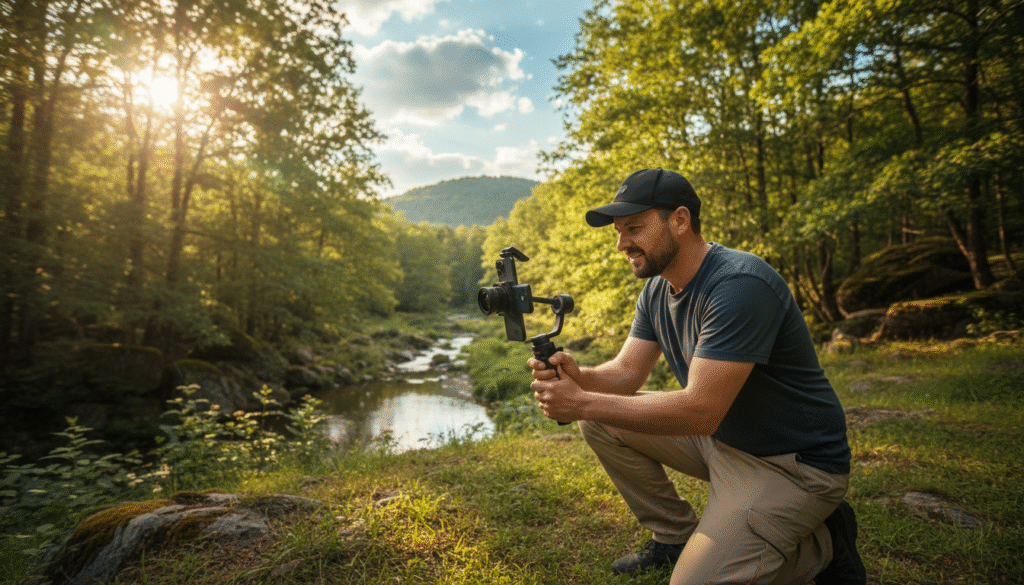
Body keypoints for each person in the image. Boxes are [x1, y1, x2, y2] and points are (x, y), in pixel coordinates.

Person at [528, 168, 866, 584]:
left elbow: (701, 412)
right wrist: (579, 376)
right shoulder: (656, 289)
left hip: (790, 464)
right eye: (618, 231)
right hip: (724, 440)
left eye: (634, 228)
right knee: (600, 419)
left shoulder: (738, 284)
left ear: (681, 221)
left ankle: (824, 547)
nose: (621, 244)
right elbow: (627, 373)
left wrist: (580, 402)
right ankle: (674, 538)